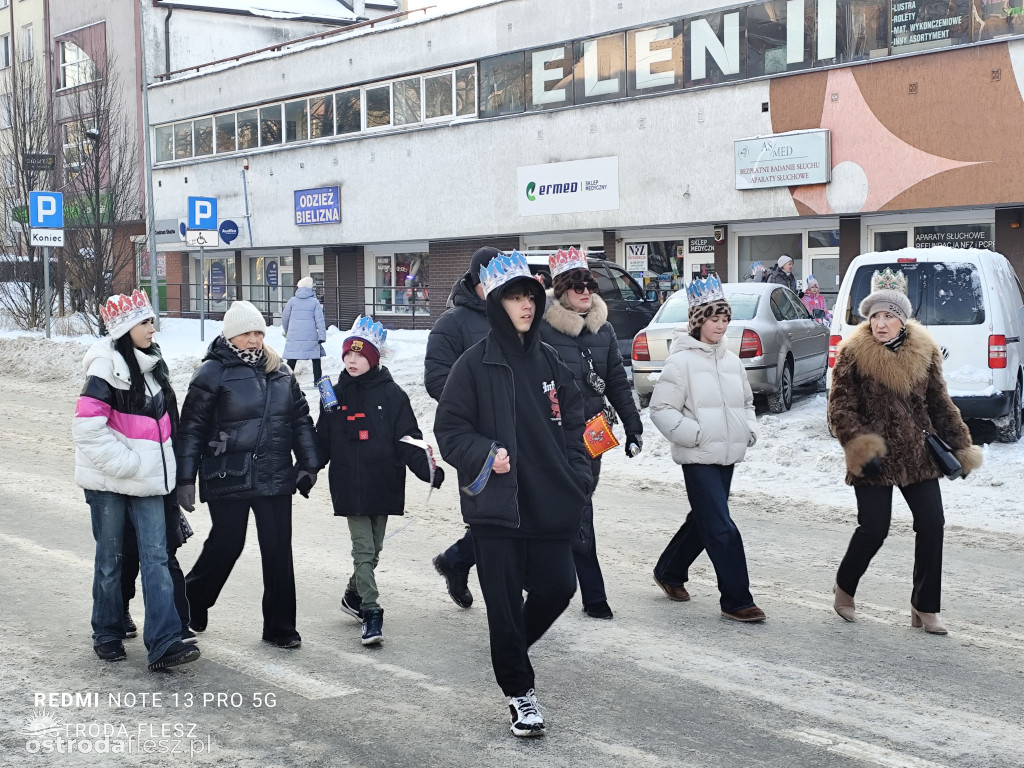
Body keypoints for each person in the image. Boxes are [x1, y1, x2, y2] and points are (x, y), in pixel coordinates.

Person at [434, 250, 592, 738]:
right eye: (516, 298)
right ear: (498, 303)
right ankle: (520, 693)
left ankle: (510, 653)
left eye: (530, 297)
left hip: (549, 500)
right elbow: (450, 429)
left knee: (558, 587)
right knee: (502, 606)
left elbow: (579, 424)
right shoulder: (473, 364)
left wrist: (577, 472)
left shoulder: (550, 359)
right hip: (497, 508)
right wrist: (485, 453)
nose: (525, 306)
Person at [827, 268, 982, 634]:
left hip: (917, 453)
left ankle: (925, 606)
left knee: (932, 525)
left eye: (889, 316)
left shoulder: (925, 351)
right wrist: (862, 446)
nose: (881, 324)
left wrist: (960, 444)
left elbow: (939, 403)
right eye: (875, 316)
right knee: (874, 529)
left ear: (902, 318)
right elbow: (840, 409)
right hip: (874, 456)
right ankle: (845, 587)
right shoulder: (852, 353)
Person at [175, 300, 322, 649]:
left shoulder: (281, 371)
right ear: (231, 336)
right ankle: (193, 598)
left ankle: (280, 627)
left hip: (274, 474)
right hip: (228, 473)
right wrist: (185, 479)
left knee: (278, 551)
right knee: (227, 544)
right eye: (246, 333)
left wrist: (309, 464)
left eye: (259, 332)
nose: (254, 339)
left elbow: (299, 419)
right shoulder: (211, 373)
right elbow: (191, 429)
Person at [73, 288, 200, 670]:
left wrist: (170, 476)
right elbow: (87, 429)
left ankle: (163, 642)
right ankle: (107, 631)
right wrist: (129, 465)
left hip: (148, 484)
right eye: (145, 322)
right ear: (125, 329)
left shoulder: (152, 368)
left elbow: (165, 429)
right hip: (110, 483)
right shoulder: (103, 367)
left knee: (156, 559)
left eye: (151, 321)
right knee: (111, 560)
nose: (152, 328)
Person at [316, 316, 444, 646]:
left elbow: (408, 438)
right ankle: (371, 611)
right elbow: (322, 441)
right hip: (348, 484)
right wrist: (305, 469)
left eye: (360, 355)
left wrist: (426, 468)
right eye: (348, 354)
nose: (352, 360)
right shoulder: (332, 393)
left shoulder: (392, 394)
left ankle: (352, 595)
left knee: (374, 550)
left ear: (373, 358)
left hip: (383, 482)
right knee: (363, 549)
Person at [649, 275, 765, 623]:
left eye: (724, 319)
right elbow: (661, 410)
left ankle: (669, 570)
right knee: (721, 526)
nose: (720, 325)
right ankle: (736, 599)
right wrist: (694, 434)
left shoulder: (731, 361)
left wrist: (749, 429)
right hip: (698, 456)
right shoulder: (680, 362)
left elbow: (747, 402)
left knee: (705, 520)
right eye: (714, 319)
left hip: (727, 455)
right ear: (698, 321)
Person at [540, 247, 643, 620]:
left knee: (575, 508)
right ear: (562, 290)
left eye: (589, 285)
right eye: (577, 286)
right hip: (552, 439)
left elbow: (616, 379)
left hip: (592, 435)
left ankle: (465, 556)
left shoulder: (605, 329)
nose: (586, 292)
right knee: (576, 509)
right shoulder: (542, 328)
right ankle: (592, 594)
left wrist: (633, 425)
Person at [425, 246, 502, 609]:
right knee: (489, 514)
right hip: (475, 437)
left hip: (520, 432)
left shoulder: (519, 317)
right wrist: (479, 408)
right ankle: (502, 594)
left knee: (518, 511)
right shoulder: (451, 324)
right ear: (476, 282)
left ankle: (457, 559)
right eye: (492, 280)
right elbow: (437, 380)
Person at [282, 276, 327, 385]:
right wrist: (322, 336)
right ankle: (317, 381)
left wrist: (287, 330)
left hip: (294, 335)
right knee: (316, 358)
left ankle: (287, 381)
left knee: (292, 358)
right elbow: (320, 320)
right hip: (310, 336)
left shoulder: (292, 301)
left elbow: (285, 317)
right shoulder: (314, 302)